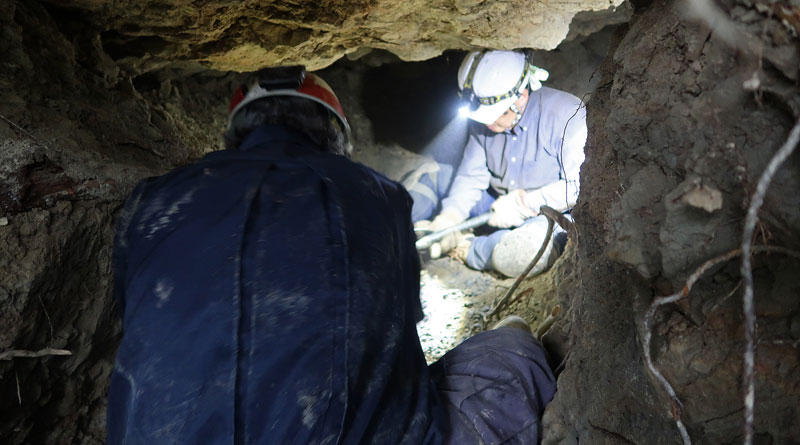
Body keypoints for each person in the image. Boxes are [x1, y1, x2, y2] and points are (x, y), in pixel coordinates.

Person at [107, 66, 556, 444]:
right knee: (512, 350)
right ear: (336, 136)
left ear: (236, 135)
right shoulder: (373, 194)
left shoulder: (153, 201)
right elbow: (400, 342)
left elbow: (137, 317)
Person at [416, 50, 587, 278]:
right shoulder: (486, 122)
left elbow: (579, 186)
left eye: (495, 116)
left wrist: (524, 204)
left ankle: (466, 247)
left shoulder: (568, 115)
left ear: (522, 97)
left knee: (523, 253)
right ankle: (409, 232)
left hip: (548, 215)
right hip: (497, 204)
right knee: (433, 177)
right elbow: (471, 177)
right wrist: (450, 216)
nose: (488, 124)